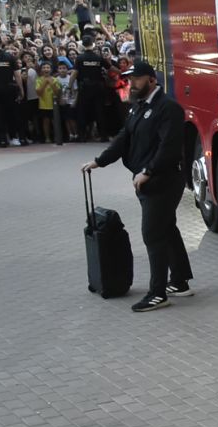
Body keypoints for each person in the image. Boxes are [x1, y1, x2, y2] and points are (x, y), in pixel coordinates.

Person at [82, 61, 192, 312]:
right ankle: (180, 281)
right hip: (147, 179)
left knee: (152, 233)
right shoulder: (138, 107)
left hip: (162, 180)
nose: (132, 84)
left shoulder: (168, 108)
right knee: (166, 227)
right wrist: (100, 161)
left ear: (152, 80)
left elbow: (170, 147)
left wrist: (148, 171)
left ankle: (157, 293)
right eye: (130, 79)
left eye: (137, 79)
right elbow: (124, 137)